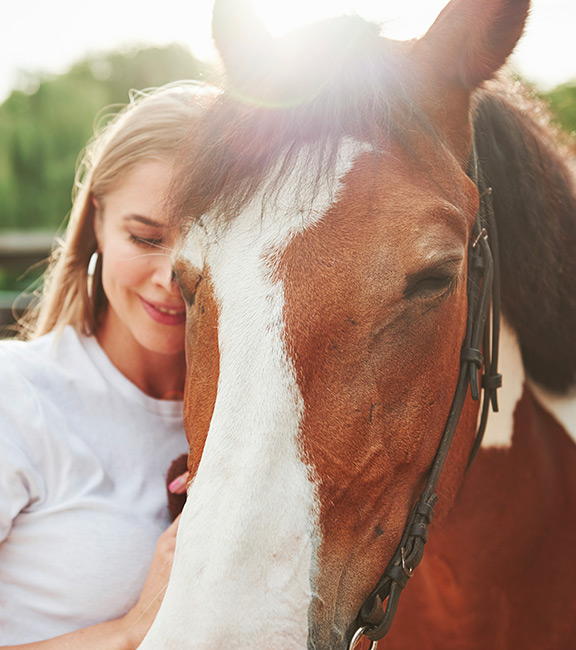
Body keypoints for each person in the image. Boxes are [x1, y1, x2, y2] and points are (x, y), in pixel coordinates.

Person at [0, 81, 208, 648]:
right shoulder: (15, 394)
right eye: (145, 237)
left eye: (205, 246)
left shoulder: (258, 427)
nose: (171, 277)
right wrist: (131, 630)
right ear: (97, 220)